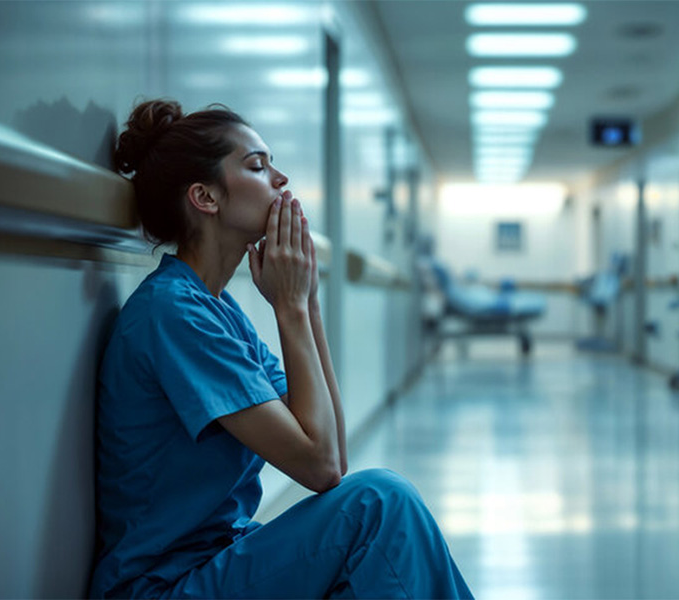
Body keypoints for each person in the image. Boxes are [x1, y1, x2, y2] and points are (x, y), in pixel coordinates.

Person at [90, 99, 473, 599]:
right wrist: (290, 309)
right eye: (258, 165)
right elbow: (321, 468)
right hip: (163, 585)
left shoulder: (217, 310)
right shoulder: (173, 314)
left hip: (215, 559)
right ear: (205, 197)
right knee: (379, 503)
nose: (281, 178)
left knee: (375, 534)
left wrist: (307, 305)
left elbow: (329, 446)